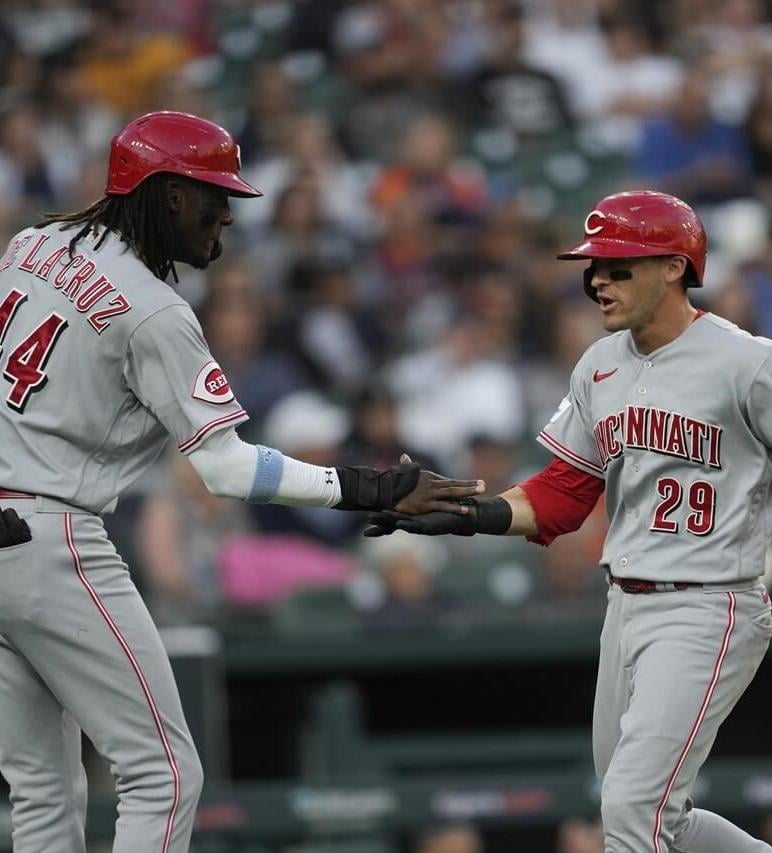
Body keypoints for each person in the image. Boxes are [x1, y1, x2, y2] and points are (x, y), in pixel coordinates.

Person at [0, 110, 484, 853]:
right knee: (164, 774)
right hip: (49, 534)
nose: (227, 213)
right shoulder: (154, 309)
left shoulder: (35, 243)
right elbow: (226, 467)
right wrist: (374, 488)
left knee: (41, 786)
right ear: (165, 194)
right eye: (211, 194)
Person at [368, 190, 772, 851]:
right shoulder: (597, 366)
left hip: (707, 603)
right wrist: (467, 512)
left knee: (632, 807)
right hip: (624, 604)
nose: (596, 279)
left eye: (617, 266)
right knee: (654, 816)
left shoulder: (749, 361)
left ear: (674, 267)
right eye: (593, 266)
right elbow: (562, 497)